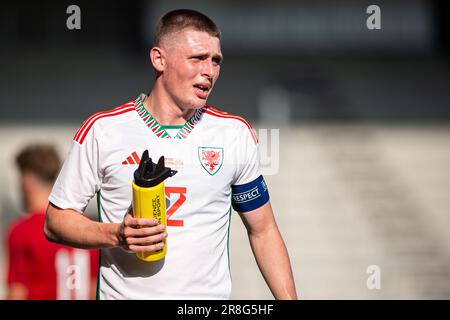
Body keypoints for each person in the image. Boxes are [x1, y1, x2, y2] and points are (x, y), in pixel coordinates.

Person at [44, 9, 297, 300]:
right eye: (198, 58)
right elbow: (55, 221)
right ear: (158, 59)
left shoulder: (234, 134)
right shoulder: (103, 130)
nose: (210, 71)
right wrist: (116, 235)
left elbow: (263, 230)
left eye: (216, 60)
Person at [5, 144, 98, 300]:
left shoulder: (22, 231)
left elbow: (17, 293)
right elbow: (93, 288)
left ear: (27, 181)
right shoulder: (87, 227)